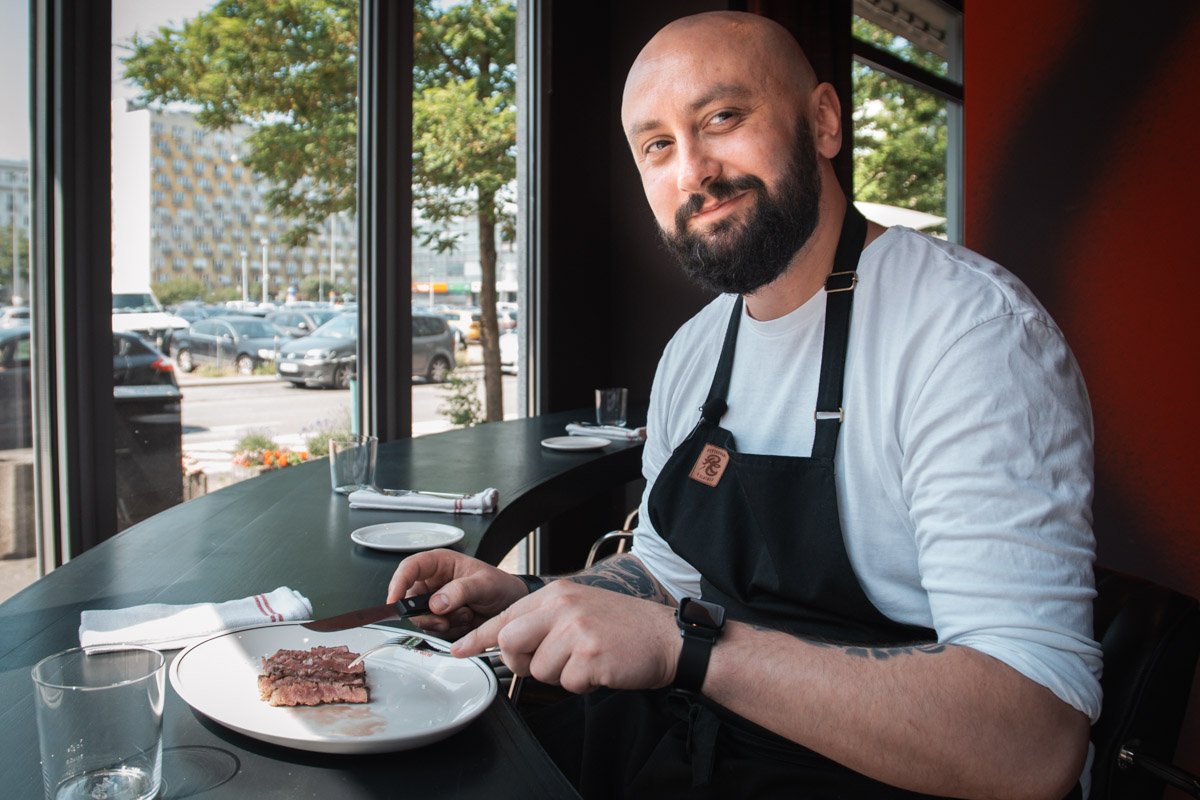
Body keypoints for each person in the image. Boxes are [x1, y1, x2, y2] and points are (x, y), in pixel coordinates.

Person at [387, 11, 1101, 799]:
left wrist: (688, 652)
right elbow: (666, 576)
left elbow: (1034, 740)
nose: (692, 171)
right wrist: (535, 598)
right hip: (693, 754)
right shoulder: (695, 351)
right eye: (657, 145)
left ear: (824, 121)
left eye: (722, 117)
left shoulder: (968, 335)